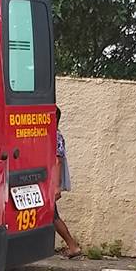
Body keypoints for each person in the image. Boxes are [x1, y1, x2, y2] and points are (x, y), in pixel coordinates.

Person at [54, 108, 82, 258]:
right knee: (52, 215)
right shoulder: (54, 135)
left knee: (53, 216)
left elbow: (57, 161)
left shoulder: (56, 136)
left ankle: (73, 246)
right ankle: (72, 246)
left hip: (50, 183)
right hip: (48, 182)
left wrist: (56, 186)